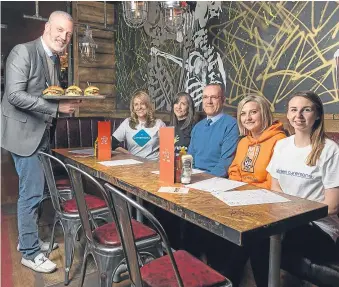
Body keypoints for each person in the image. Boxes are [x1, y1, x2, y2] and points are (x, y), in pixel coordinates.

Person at [1, 11, 78, 273]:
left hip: (41, 134)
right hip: (23, 135)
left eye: (68, 34)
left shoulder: (54, 59)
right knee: (31, 192)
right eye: (59, 30)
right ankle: (30, 253)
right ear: (46, 28)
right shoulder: (23, 52)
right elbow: (14, 95)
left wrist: (69, 99)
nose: (63, 37)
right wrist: (57, 110)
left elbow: (48, 93)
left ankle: (28, 241)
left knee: (37, 190)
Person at [228, 94, 286, 188]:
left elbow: (274, 182)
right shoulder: (243, 142)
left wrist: (246, 190)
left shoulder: (280, 140)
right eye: (243, 114)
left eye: (253, 112)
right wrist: (237, 189)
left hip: (265, 196)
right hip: (239, 194)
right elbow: (234, 171)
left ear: (264, 113)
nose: (248, 118)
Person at [188, 83, 239, 177]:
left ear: (223, 100)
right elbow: (190, 158)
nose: (209, 101)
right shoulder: (197, 127)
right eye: (205, 97)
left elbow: (225, 164)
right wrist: (190, 177)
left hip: (215, 181)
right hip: (195, 178)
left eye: (214, 97)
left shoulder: (231, 125)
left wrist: (203, 181)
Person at [112, 90, 166, 160]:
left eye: (142, 103)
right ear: (133, 108)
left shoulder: (159, 124)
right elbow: (112, 143)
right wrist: (128, 154)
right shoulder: (127, 123)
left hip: (153, 163)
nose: (139, 107)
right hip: (133, 163)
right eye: (136, 104)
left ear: (148, 106)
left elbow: (167, 148)